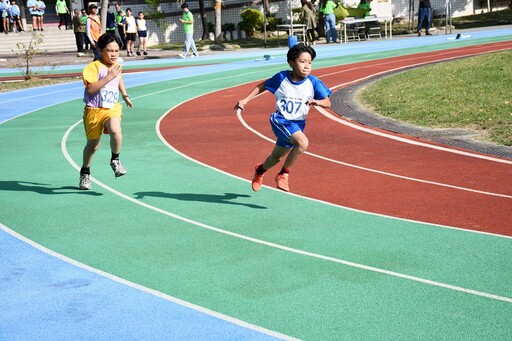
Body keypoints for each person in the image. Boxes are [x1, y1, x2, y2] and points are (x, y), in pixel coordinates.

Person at [234, 44, 332, 192]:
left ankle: (260, 170)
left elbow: (328, 102)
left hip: (298, 124)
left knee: (276, 158)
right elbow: (263, 86)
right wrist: (245, 100)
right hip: (281, 120)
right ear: (291, 63)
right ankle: (283, 174)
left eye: (310, 62)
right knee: (303, 142)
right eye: (302, 62)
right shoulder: (281, 78)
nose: (307, 66)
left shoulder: (313, 82)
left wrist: (317, 102)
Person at [79, 33, 133, 190]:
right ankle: (85, 172)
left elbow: (119, 78)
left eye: (117, 50)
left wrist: (125, 95)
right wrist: (109, 77)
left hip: (111, 108)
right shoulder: (93, 67)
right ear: (100, 50)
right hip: (94, 110)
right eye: (110, 50)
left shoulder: (116, 67)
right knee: (93, 145)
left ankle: (115, 159)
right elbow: (90, 89)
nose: (114, 54)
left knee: (116, 130)